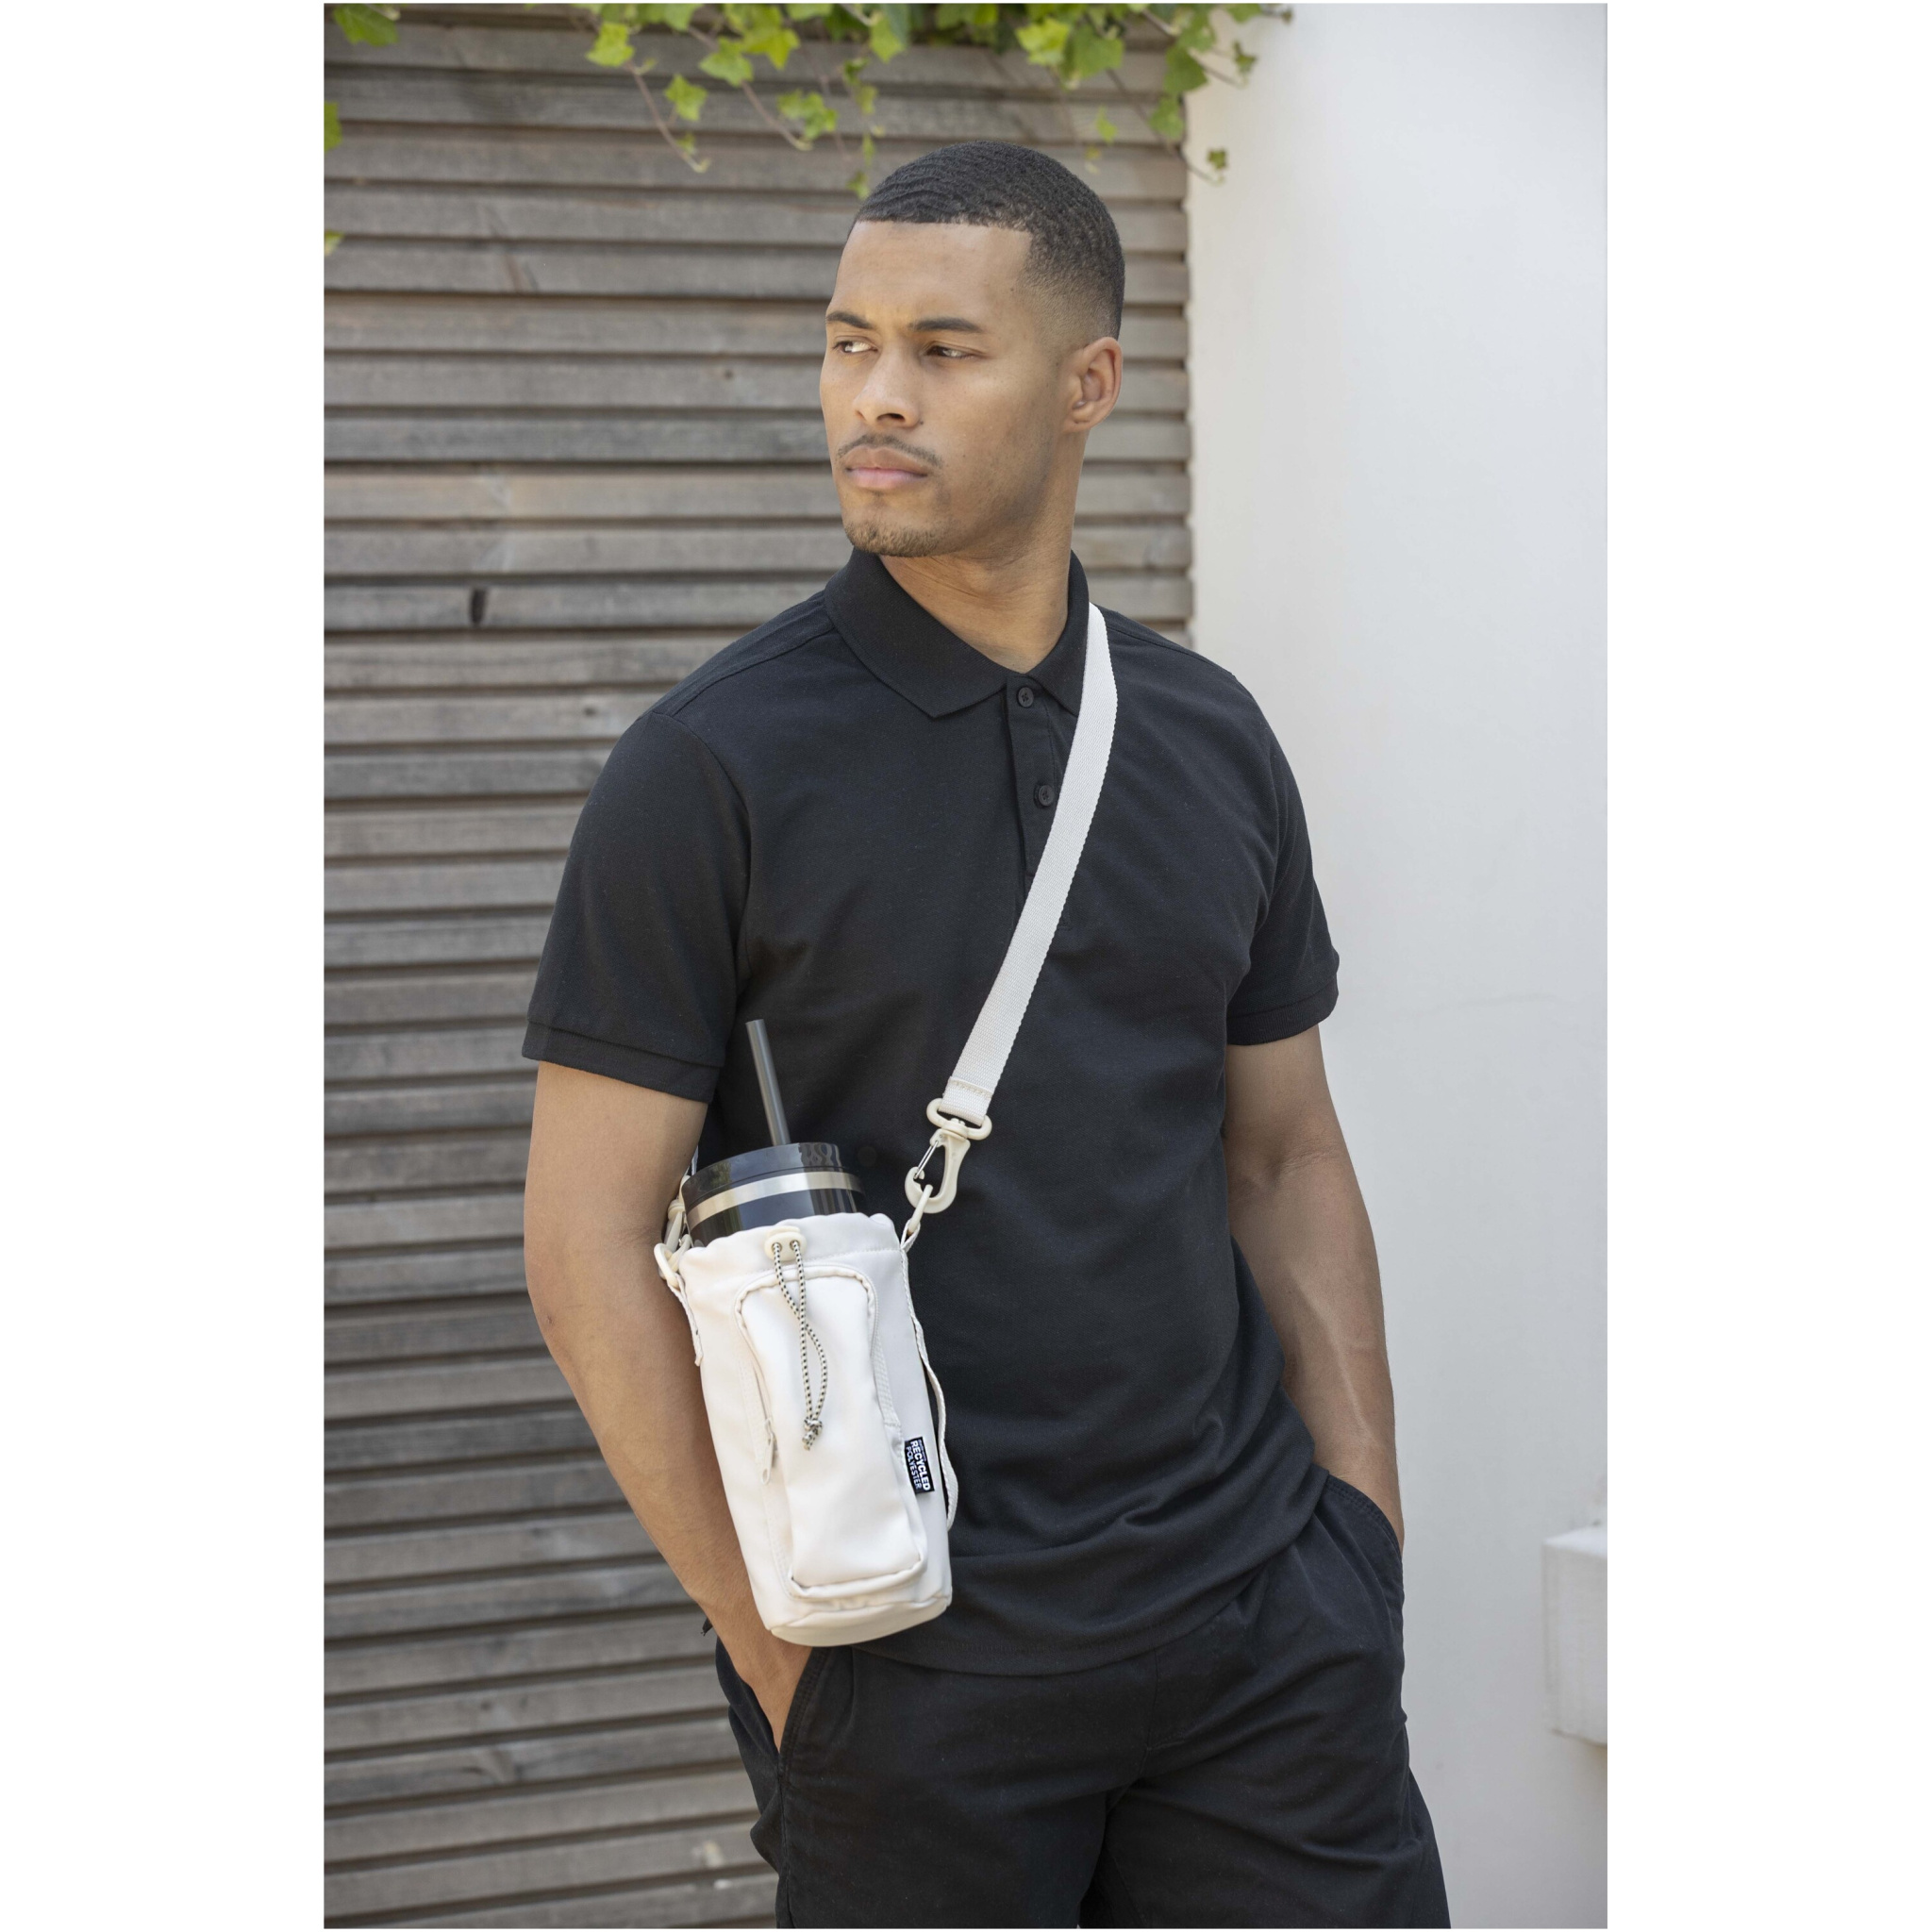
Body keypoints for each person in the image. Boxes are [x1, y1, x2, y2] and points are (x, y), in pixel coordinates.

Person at [522, 141, 1449, 1929]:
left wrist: (1362, 1541)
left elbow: (1282, 1156)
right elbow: (583, 1244)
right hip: (910, 1669)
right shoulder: (710, 768)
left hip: (1265, 1643)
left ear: (1089, 383)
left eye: (945, 350)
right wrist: (793, 1663)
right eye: (848, 341)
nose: (876, 395)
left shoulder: (1207, 736)